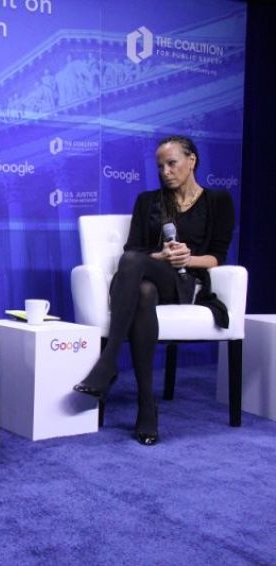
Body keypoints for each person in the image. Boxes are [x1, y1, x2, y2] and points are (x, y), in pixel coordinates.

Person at [73, 135, 235, 446]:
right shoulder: (148, 201)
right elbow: (133, 249)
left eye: (172, 163)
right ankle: (147, 406)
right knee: (142, 287)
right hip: (153, 276)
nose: (165, 171)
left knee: (135, 268)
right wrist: (160, 256)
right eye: (160, 166)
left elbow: (217, 256)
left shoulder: (218, 201)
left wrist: (188, 257)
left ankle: (108, 363)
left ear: (192, 161)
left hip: (189, 281)